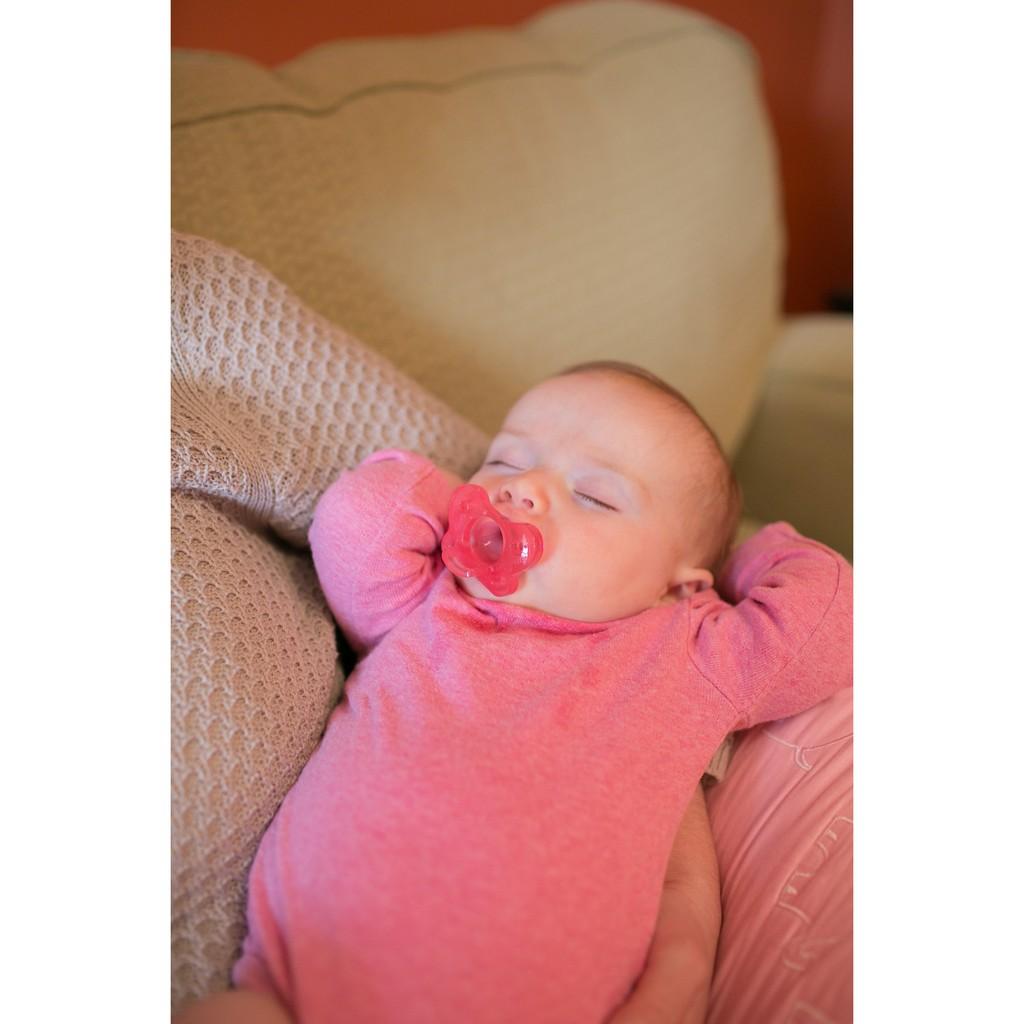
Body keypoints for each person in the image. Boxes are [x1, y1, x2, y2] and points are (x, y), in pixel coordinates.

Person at [175, 361, 852, 1023]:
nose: (522, 489)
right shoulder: (425, 600)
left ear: (679, 584)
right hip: (297, 987)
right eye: (503, 461)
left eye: (594, 496)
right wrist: (454, 500)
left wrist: (749, 552)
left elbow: (831, 620)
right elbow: (358, 514)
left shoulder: (692, 653)